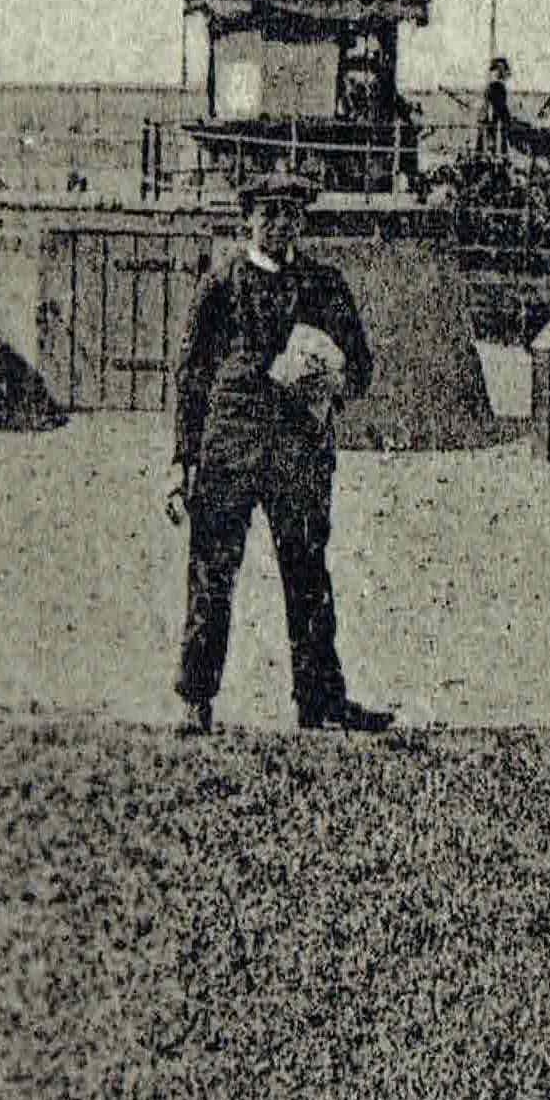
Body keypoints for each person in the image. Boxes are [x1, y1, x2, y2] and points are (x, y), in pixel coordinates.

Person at [167, 171, 392, 735]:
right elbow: (191, 377)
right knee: (212, 573)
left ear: (301, 221)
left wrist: (328, 378)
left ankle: (319, 702)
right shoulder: (219, 285)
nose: (279, 223)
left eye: (290, 213)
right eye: (268, 213)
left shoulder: (324, 285)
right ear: (248, 219)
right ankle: (197, 699)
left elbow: (361, 367)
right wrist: (182, 459)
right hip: (230, 448)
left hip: (299, 452)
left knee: (308, 573)